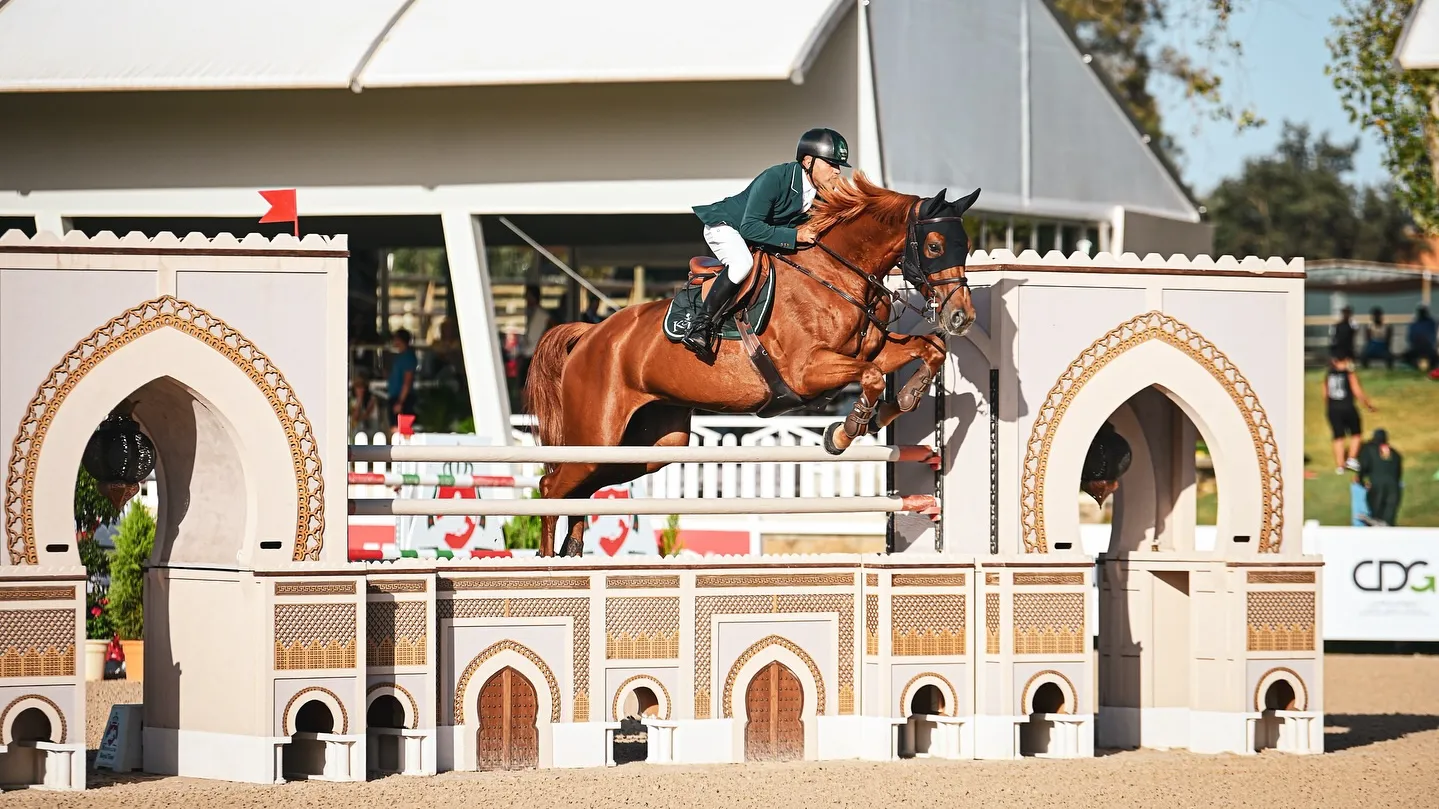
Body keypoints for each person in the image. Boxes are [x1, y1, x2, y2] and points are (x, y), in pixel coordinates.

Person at [681, 127, 852, 359]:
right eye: (831, 164)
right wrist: (795, 237)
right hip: (727, 227)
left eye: (838, 166)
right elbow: (749, 228)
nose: (837, 171)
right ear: (808, 161)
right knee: (742, 265)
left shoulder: (820, 193)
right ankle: (700, 326)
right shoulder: (776, 178)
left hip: (759, 235)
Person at [1323, 353, 1375, 473]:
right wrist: (1368, 405)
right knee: (1356, 433)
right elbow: (1357, 391)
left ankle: (1340, 466)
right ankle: (1351, 458)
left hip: (1333, 408)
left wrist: (1330, 405)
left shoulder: (1329, 375)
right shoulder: (1349, 374)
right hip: (1347, 406)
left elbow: (1325, 393)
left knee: (1338, 436)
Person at [1356, 428, 1403, 526]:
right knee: (1388, 521)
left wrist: (1361, 481)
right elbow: (1398, 474)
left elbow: (1363, 466)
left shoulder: (1368, 448)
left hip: (1377, 487)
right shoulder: (1395, 453)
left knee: (1376, 517)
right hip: (1394, 488)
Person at [517, 284, 552, 388]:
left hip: (534, 355)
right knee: (524, 386)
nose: (527, 299)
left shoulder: (543, 315)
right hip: (527, 353)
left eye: (528, 296)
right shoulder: (530, 313)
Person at [387, 328, 419, 434]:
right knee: (393, 427)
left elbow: (407, 381)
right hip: (395, 396)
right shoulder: (399, 356)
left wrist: (400, 401)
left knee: (400, 429)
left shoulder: (408, 357)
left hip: (401, 398)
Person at [1404, 304, 1438, 372]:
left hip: (1428, 348)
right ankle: (1419, 366)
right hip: (1419, 348)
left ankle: (1427, 367)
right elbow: (1410, 338)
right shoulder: (1415, 324)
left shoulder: (1431, 323)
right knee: (1406, 357)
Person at [350, 371, 380, 436]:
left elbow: (366, 415)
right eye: (358, 387)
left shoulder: (371, 399)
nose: (361, 389)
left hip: (370, 426)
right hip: (358, 429)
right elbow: (354, 417)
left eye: (362, 387)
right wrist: (359, 401)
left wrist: (360, 400)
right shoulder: (352, 400)